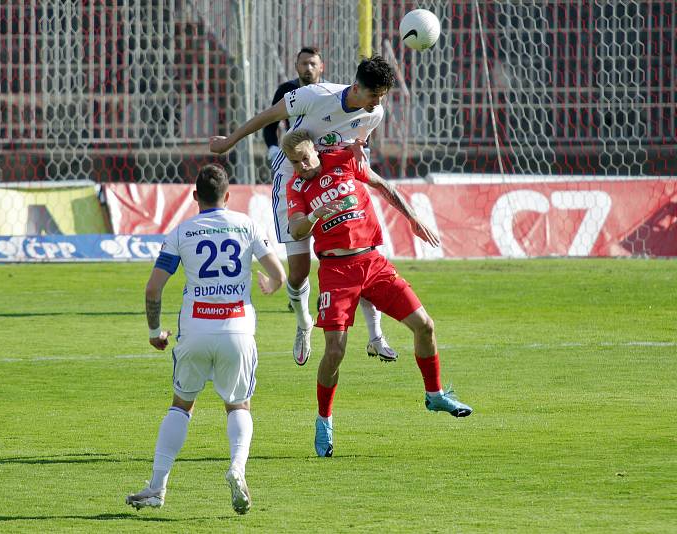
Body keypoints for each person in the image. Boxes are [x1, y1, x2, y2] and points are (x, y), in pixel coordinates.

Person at [281, 130, 473, 458]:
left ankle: (435, 394)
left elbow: (382, 185)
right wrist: (316, 215)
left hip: (373, 261)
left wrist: (412, 218)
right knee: (335, 351)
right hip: (336, 271)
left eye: (304, 158)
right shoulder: (297, 187)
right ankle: (324, 418)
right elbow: (296, 228)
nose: (301, 166)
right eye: (294, 163)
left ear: (315, 148)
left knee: (425, 325)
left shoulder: (343, 160)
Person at [211, 55, 398, 368]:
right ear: (356, 88)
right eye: (374, 95)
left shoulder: (374, 111)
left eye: (382, 96)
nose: (379, 102)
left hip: (332, 184)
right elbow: (269, 115)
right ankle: (303, 323)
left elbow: (360, 137)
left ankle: (376, 335)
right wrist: (230, 141)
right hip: (294, 181)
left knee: (357, 257)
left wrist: (357, 148)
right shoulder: (316, 96)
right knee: (298, 273)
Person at [125, 164, 286, 514]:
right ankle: (237, 469)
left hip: (195, 330)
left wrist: (155, 333)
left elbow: (153, 287)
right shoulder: (246, 224)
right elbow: (279, 273)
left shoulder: (182, 232)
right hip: (238, 332)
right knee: (238, 405)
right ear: (228, 196)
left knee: (181, 404)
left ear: (195, 196)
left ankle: (157, 486)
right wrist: (271, 285)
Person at [263, 46, 325, 166]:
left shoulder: (329, 91)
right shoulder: (285, 90)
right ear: (296, 66)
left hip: (324, 152)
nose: (308, 68)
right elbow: (270, 124)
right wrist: (273, 150)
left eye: (313, 64)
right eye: (304, 63)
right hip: (294, 155)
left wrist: (364, 149)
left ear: (321, 67)